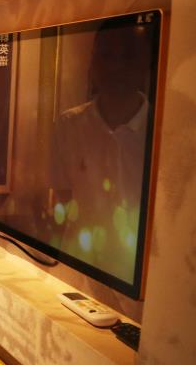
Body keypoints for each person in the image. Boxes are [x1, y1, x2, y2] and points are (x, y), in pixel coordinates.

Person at [49, 18, 153, 282]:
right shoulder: (69, 124)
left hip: (143, 278)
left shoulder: (164, 128)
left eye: (128, 56)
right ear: (93, 62)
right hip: (76, 269)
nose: (116, 66)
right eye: (107, 55)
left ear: (146, 64)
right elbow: (62, 199)